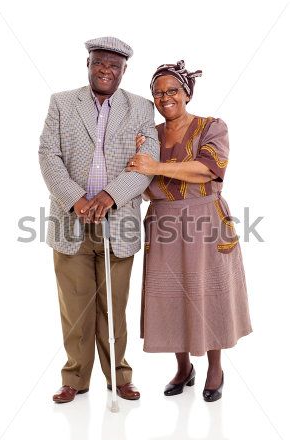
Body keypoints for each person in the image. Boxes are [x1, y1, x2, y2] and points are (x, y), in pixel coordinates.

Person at [39, 37, 159, 403]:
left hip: (118, 222)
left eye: (114, 66)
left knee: (114, 306)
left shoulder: (140, 108)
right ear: (88, 63)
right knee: (75, 306)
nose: (106, 70)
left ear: (124, 71)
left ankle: (119, 377)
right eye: (99, 63)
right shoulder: (62, 103)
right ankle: (74, 377)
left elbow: (148, 161)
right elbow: (48, 155)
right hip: (70, 221)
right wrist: (77, 200)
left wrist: (110, 196)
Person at [126, 60, 252, 402]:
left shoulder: (212, 127)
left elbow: (208, 170)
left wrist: (155, 166)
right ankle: (183, 367)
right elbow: (136, 177)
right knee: (169, 296)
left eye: (172, 90)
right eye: (158, 92)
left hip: (205, 220)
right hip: (163, 222)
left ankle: (214, 368)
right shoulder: (148, 134)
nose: (165, 97)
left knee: (207, 294)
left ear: (186, 93)